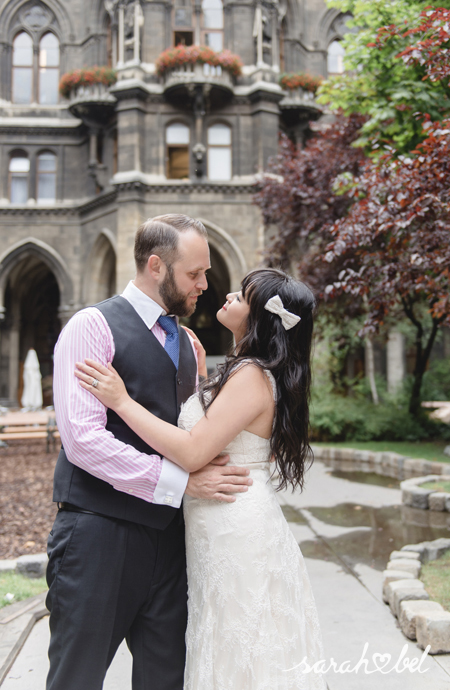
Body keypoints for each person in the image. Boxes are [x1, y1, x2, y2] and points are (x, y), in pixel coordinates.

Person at [75, 267, 327, 690]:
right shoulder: (245, 369)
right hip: (220, 524)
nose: (228, 295)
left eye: (242, 296)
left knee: (241, 647)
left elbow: (193, 450)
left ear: (262, 318)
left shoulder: (251, 375)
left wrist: (120, 401)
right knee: (225, 643)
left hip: (236, 525)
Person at [47, 214, 253, 690]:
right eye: (194, 274)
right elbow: (83, 441)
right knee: (75, 679)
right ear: (156, 266)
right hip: (98, 535)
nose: (205, 283)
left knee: (166, 680)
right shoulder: (90, 326)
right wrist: (182, 485)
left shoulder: (185, 342)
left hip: (169, 543)